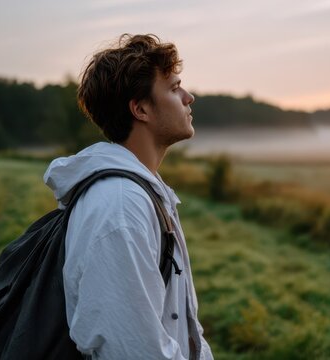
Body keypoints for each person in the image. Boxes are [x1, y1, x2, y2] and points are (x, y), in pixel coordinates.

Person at [42, 34, 213, 359]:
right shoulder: (120, 207)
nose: (189, 97)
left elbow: (182, 326)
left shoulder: (141, 192)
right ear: (140, 108)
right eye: (175, 88)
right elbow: (132, 349)